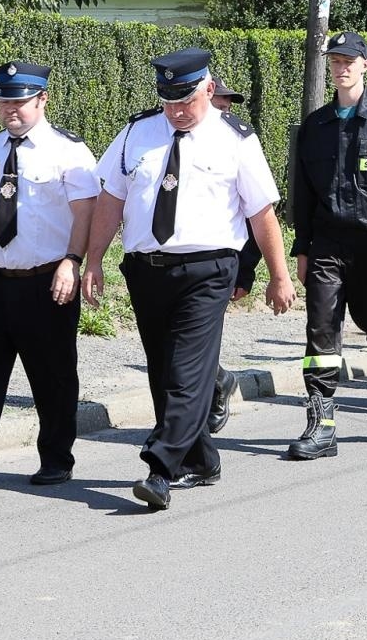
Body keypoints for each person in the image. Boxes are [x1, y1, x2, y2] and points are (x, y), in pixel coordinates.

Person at [85, 48, 294, 511]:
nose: (178, 111)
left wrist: (278, 275)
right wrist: (93, 259)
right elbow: (111, 200)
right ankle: (201, 459)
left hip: (208, 269)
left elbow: (262, 213)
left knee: (184, 371)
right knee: (163, 370)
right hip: (145, 270)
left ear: (209, 88)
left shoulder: (236, 139)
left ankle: (161, 469)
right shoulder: (136, 133)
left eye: (187, 100)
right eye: (169, 102)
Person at [0, 61, 98, 488]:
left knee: (52, 377)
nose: (10, 109)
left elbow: (85, 213)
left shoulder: (69, 151)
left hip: (47, 280)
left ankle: (56, 458)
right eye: (4, 101)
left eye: (19, 101)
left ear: (42, 99)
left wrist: (74, 260)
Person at [286, 31, 367, 458]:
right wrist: (302, 248)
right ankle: (321, 426)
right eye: (335, 61)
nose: (340, 68)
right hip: (326, 245)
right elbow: (301, 193)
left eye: (348, 61)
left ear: (365, 65)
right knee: (321, 332)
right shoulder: (315, 125)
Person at [206, 76, 265, 435]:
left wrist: (246, 275)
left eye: (228, 108)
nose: (224, 114)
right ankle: (220, 381)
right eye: (219, 106)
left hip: (221, 264)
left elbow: (258, 217)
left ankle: (212, 392)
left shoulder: (240, 143)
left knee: (195, 342)